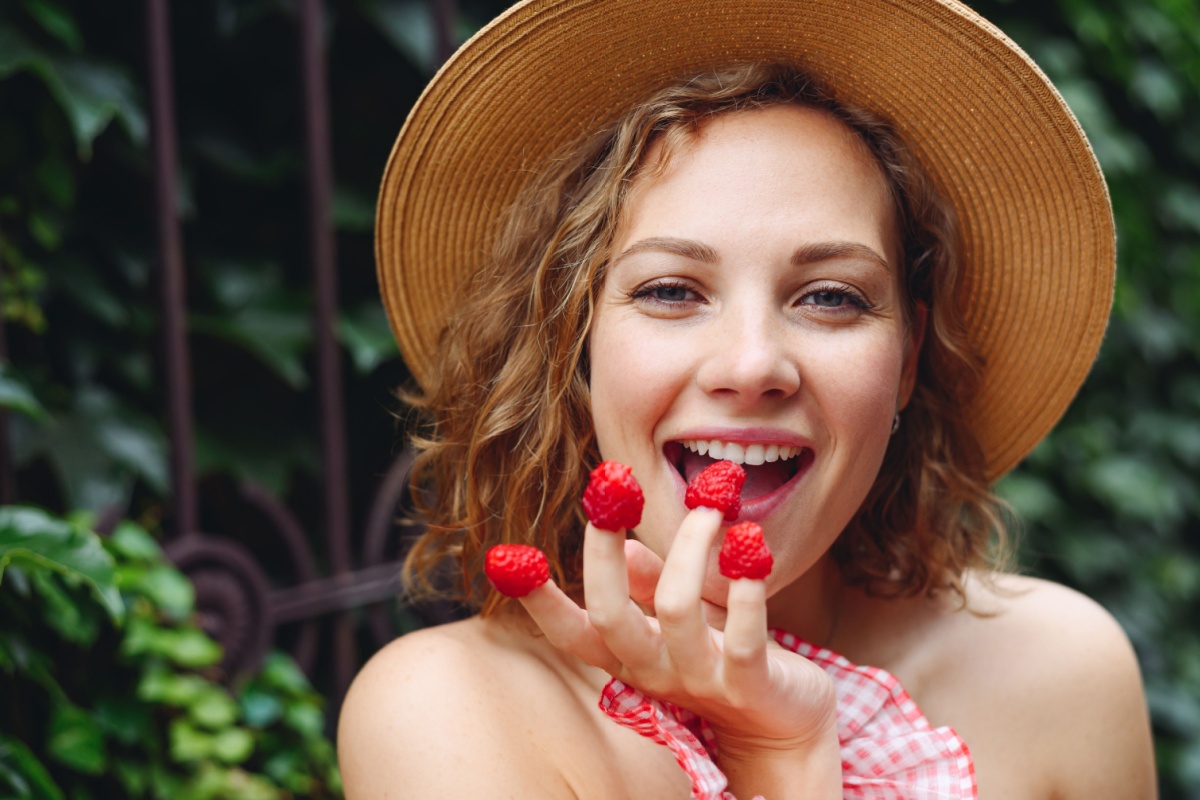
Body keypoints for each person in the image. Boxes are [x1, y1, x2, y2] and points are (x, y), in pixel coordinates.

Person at [339, 1, 1157, 797]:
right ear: (573, 346)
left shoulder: (1060, 675)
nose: (754, 364)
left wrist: (790, 748)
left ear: (908, 359)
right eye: (670, 290)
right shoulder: (447, 715)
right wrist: (786, 754)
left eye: (831, 297)